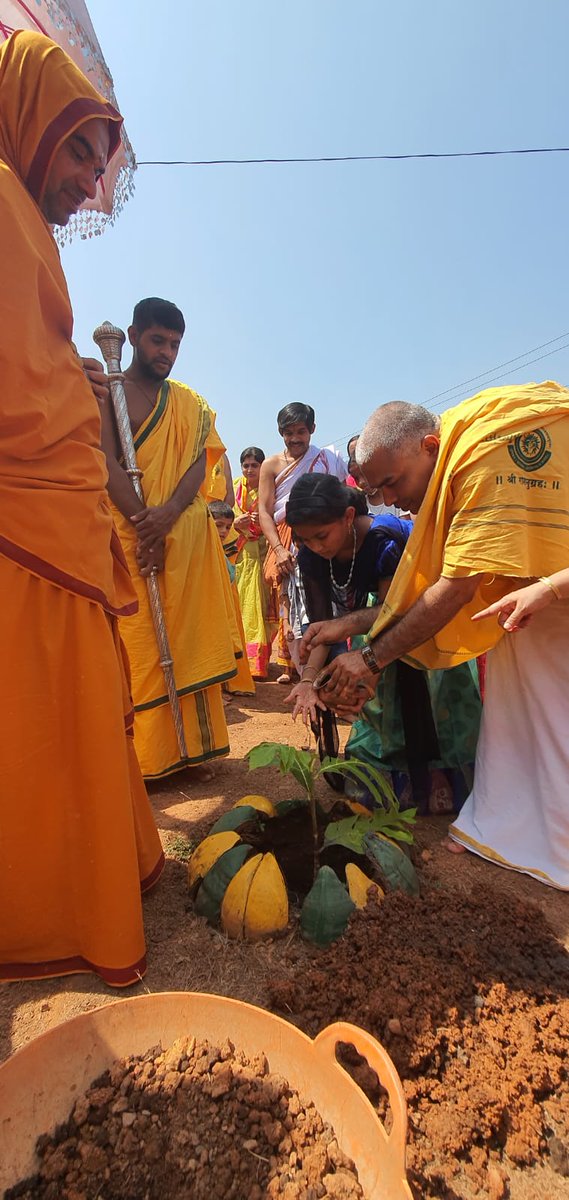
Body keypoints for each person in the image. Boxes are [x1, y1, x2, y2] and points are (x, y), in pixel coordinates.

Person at [0, 30, 164, 986]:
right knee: (39, 729)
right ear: (26, 117)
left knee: (82, 715)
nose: (87, 184)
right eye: (77, 152)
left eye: (97, 167)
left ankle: (104, 880)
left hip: (54, 506)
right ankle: (52, 914)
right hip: (23, 513)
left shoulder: (18, 208)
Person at [306, 389, 569, 888]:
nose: (391, 500)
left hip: (552, 586)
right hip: (525, 596)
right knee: (518, 711)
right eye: (377, 490)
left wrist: (370, 660)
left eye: (392, 482)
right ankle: (505, 828)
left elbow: (458, 584)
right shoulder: (458, 455)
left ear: (430, 446)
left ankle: (549, 836)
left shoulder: (484, 452)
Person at [99, 297, 240, 780]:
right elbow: (106, 464)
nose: (167, 352)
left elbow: (199, 462)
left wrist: (168, 516)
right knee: (139, 643)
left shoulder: (189, 404)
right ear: (134, 335)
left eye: (176, 344)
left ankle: (195, 750)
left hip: (182, 535)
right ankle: (152, 758)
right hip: (130, 534)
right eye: (158, 340)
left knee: (187, 640)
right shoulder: (110, 393)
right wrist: (146, 523)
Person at [286, 475, 481, 812]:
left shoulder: (383, 538)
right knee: (379, 718)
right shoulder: (310, 555)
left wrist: (353, 644)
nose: (316, 546)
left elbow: (396, 612)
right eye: (305, 539)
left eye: (321, 536)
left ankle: (438, 788)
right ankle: (394, 786)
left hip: (423, 630)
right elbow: (321, 629)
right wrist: (307, 680)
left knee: (434, 708)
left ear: (348, 517)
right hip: (372, 634)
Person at [259, 402, 348, 683]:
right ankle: (312, 681)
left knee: (334, 611)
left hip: (326, 544)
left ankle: (333, 684)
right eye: (288, 432)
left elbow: (340, 498)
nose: (295, 438)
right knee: (300, 620)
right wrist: (279, 548)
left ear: (312, 430)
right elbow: (264, 510)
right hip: (289, 547)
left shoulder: (326, 460)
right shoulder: (270, 465)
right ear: (280, 433)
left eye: (300, 431)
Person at [233, 447, 277, 679]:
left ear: (262, 467)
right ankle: (240, 663)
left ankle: (258, 665)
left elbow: (274, 517)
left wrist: (257, 524)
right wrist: (236, 523)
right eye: (246, 465)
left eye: (254, 465)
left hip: (262, 553)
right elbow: (221, 517)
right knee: (240, 607)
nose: (250, 469)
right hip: (239, 557)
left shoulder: (269, 488)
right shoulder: (233, 488)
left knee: (260, 606)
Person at [208, 499, 255, 697]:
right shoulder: (203, 546)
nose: (223, 531)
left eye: (227, 527)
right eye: (218, 525)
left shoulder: (224, 547)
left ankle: (221, 690)